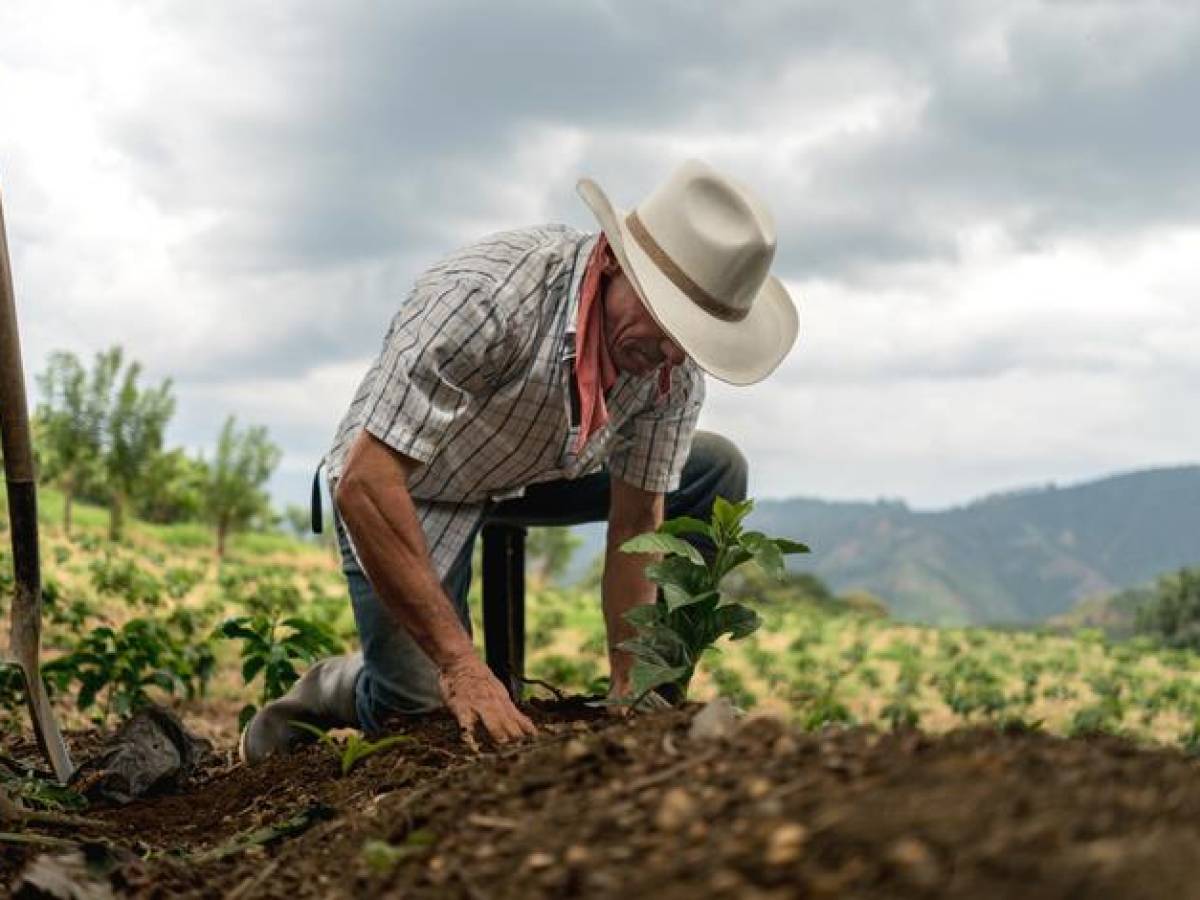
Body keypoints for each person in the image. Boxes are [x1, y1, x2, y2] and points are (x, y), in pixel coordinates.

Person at [239, 159, 799, 763]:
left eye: (689, 339)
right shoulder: (487, 298)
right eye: (665, 323)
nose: (670, 354)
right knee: (420, 711)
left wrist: (629, 691)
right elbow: (367, 482)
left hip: (537, 468)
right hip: (414, 481)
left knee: (715, 468)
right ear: (613, 262)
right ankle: (334, 687)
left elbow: (639, 523)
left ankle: (656, 704)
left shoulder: (670, 368)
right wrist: (461, 666)